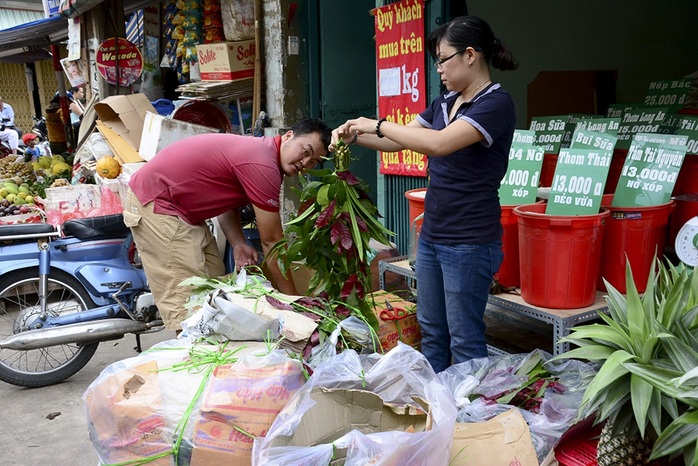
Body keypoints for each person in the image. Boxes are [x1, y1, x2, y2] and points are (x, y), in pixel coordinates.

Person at [330, 15, 518, 373]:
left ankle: (468, 413)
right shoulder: (445, 102)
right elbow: (393, 143)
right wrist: (353, 134)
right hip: (432, 236)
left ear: (470, 55)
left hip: (469, 241)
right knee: (432, 332)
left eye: (443, 59)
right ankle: (436, 404)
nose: (439, 69)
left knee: (464, 337)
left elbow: (439, 143)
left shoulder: (495, 104)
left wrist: (380, 123)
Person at [123, 119, 332, 332]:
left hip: (183, 212)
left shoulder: (263, 153)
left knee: (216, 286)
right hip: (158, 203)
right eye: (306, 151)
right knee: (191, 306)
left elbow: (227, 203)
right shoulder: (263, 163)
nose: (305, 163)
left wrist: (238, 243)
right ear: (288, 136)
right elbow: (272, 242)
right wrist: (294, 304)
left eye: (314, 162)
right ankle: (195, 358)